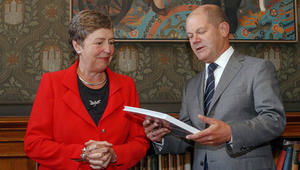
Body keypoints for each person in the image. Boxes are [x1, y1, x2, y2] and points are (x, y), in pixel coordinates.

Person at [143, 4, 285, 170]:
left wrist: (230, 133)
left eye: (201, 32)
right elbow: (187, 138)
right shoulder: (192, 85)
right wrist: (160, 138)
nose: (194, 40)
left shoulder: (257, 69)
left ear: (223, 29)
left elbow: (275, 120)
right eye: (190, 36)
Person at [24, 9, 149, 170]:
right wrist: (82, 154)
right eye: (99, 43)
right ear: (78, 46)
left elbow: (139, 142)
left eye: (111, 42)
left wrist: (113, 154)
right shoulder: (52, 83)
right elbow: (34, 144)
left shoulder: (127, 86)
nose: (108, 49)